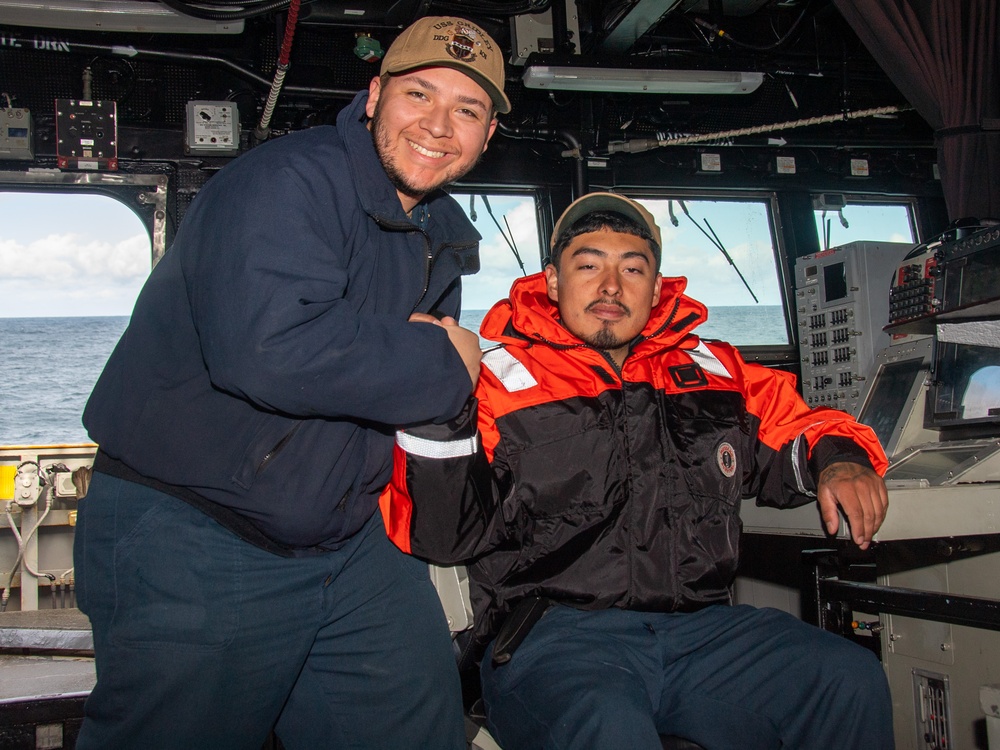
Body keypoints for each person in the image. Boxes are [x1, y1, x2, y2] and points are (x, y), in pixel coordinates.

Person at [75, 15, 508, 750]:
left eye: (467, 110)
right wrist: (446, 365)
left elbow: (388, 389)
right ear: (374, 97)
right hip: (198, 527)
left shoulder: (441, 232)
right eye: (418, 96)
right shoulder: (286, 181)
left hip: (345, 534)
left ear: (488, 135)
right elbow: (272, 349)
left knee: (418, 721)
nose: (438, 126)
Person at [382, 192, 895, 749]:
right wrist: (437, 405)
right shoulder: (496, 382)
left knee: (848, 680)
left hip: (703, 630)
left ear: (655, 287)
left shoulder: (715, 371)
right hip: (554, 638)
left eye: (632, 268)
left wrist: (840, 460)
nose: (610, 285)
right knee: (610, 728)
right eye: (588, 264)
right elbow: (441, 532)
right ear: (552, 281)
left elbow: (798, 423)